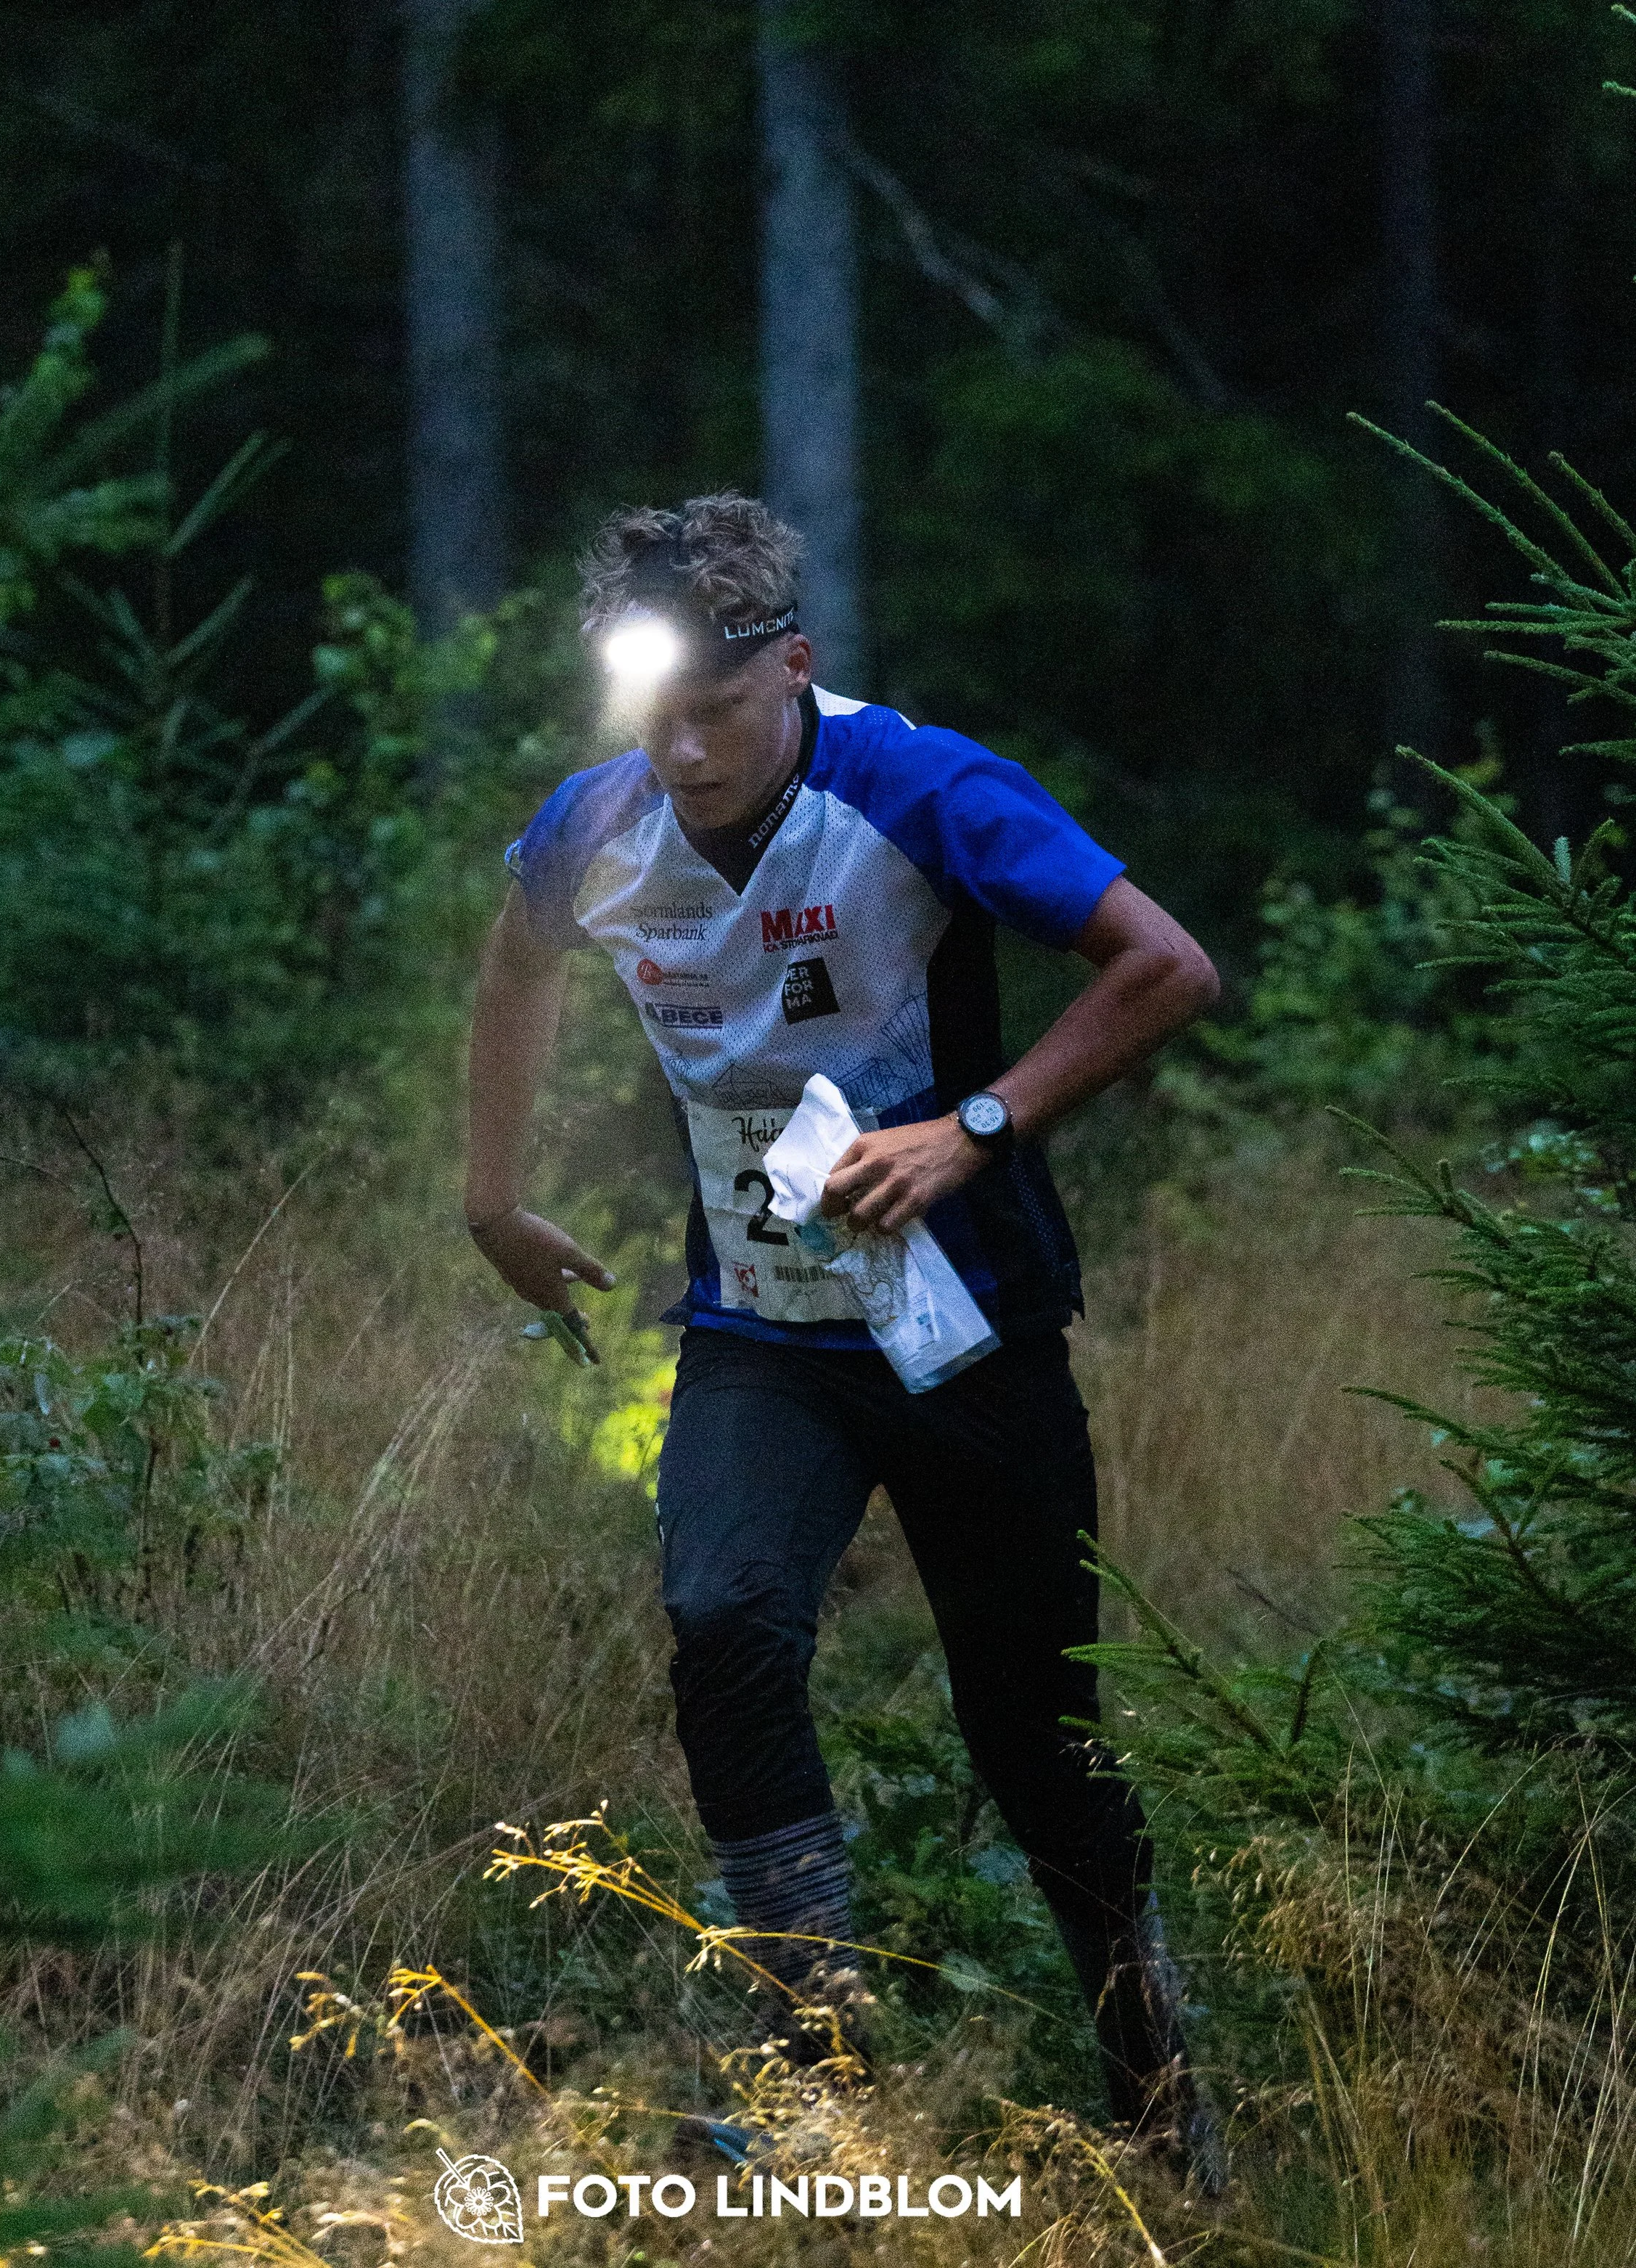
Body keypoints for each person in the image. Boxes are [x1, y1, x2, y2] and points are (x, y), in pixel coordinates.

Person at [462, 491, 1224, 2179]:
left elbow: (1164, 966)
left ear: (791, 669)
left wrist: (976, 1124)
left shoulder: (916, 787)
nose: (677, 754)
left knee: (1038, 1741)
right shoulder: (596, 822)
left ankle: (1159, 2095)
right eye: (648, 718)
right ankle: (817, 2071)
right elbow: (514, 964)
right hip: (759, 1330)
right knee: (721, 1615)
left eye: (714, 715)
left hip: (969, 1336)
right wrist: (493, 1197)